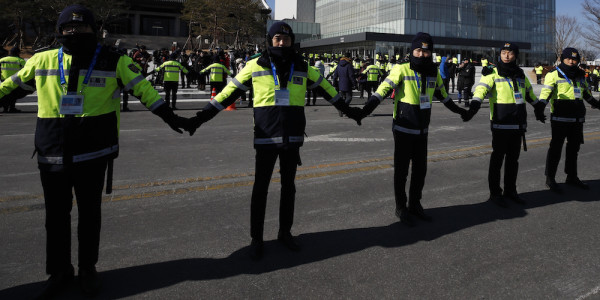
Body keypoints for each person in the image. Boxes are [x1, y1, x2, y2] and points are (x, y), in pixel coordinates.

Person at [0, 5, 191, 298]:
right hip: (53, 151)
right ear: (60, 31)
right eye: (68, 29)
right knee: (55, 217)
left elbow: (145, 91)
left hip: (94, 152)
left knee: (90, 215)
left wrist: (171, 117)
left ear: (93, 29)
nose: (75, 33)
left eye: (81, 28)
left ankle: (88, 268)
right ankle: (59, 271)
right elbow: (9, 87)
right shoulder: (42, 60)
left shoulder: (115, 60)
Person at [188, 21, 362, 260]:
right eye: (278, 38)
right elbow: (228, 93)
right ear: (270, 40)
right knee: (260, 189)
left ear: (292, 42)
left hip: (292, 138)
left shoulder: (302, 66)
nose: (282, 43)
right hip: (266, 137)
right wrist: (199, 118)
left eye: (286, 39)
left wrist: (352, 112)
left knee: (289, 188)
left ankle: (285, 232)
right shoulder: (254, 66)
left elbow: (328, 91)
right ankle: (256, 238)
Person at [354, 32, 468, 226]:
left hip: (423, 129)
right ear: (411, 51)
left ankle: (415, 204)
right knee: (402, 171)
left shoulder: (433, 72)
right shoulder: (402, 69)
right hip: (403, 128)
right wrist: (365, 110)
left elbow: (444, 96)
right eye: (418, 50)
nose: (422, 54)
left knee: (420, 171)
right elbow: (382, 90)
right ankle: (401, 207)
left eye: (426, 51)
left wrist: (460, 111)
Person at [462, 42, 541, 207]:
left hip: (518, 124)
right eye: (503, 52)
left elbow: (529, 94)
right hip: (500, 124)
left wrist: (538, 108)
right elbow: (480, 91)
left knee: (513, 161)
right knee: (497, 160)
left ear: (515, 55)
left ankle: (511, 191)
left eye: (510, 53)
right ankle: (495, 193)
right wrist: (473, 108)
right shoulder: (493, 73)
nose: (506, 55)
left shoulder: (520, 74)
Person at [538, 48, 600, 194]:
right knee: (556, 149)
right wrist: (539, 108)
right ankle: (550, 178)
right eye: (568, 59)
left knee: (574, 149)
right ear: (562, 59)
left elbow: (586, 94)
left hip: (577, 118)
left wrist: (597, 104)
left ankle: (571, 176)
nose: (571, 62)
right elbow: (546, 93)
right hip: (560, 118)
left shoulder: (580, 75)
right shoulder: (554, 74)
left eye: (574, 59)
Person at [0, 46, 29, 113]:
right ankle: (12, 108)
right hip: (15, 81)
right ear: (17, 53)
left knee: (5, 94)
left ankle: (5, 108)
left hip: (4, 80)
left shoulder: (2, 60)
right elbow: (26, 70)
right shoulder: (20, 60)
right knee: (13, 95)